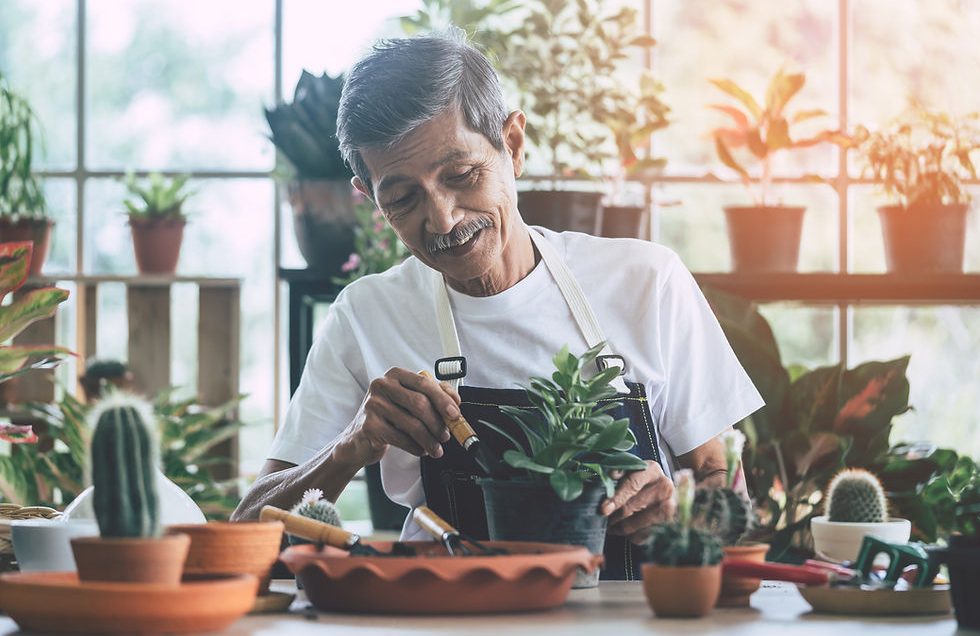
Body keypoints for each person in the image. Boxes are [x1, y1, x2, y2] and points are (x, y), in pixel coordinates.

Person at [232, 31, 763, 579]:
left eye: (461, 177)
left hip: (623, 627)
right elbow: (246, 534)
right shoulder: (365, 315)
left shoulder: (647, 282)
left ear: (513, 145)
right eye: (402, 199)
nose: (442, 219)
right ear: (369, 199)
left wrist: (678, 510)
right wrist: (351, 446)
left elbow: (735, 508)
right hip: (447, 627)